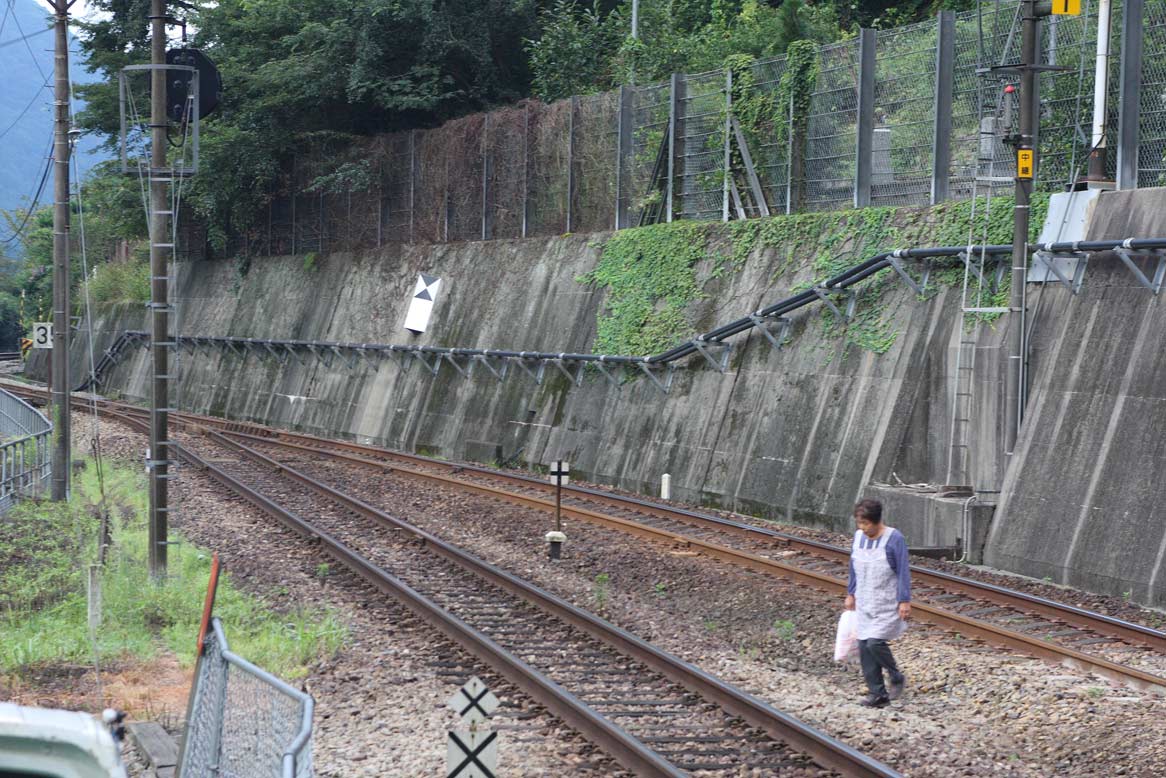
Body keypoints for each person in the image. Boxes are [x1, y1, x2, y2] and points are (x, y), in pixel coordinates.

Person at [844, 498, 911, 708]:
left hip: (886, 601)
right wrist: (851, 593)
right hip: (864, 599)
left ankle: (895, 674)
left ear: (876, 521)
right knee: (864, 646)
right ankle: (877, 693)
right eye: (859, 524)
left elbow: (903, 571)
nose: (862, 528)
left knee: (874, 642)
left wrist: (904, 600)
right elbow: (854, 567)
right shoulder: (858, 538)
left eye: (866, 524)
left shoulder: (894, 539)